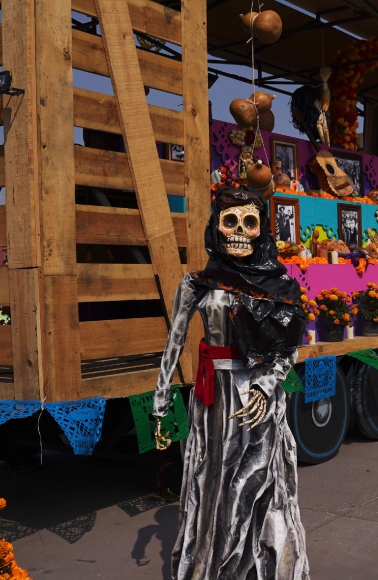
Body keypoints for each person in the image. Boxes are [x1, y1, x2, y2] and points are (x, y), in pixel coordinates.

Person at [153, 187, 311, 578]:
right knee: (213, 483)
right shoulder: (198, 284)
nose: (239, 231)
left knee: (256, 485)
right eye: (230, 221)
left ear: (262, 231)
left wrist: (265, 386)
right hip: (213, 400)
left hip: (258, 398)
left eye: (250, 222)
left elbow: (289, 347)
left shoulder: (278, 283)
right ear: (216, 228)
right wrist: (160, 404)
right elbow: (173, 342)